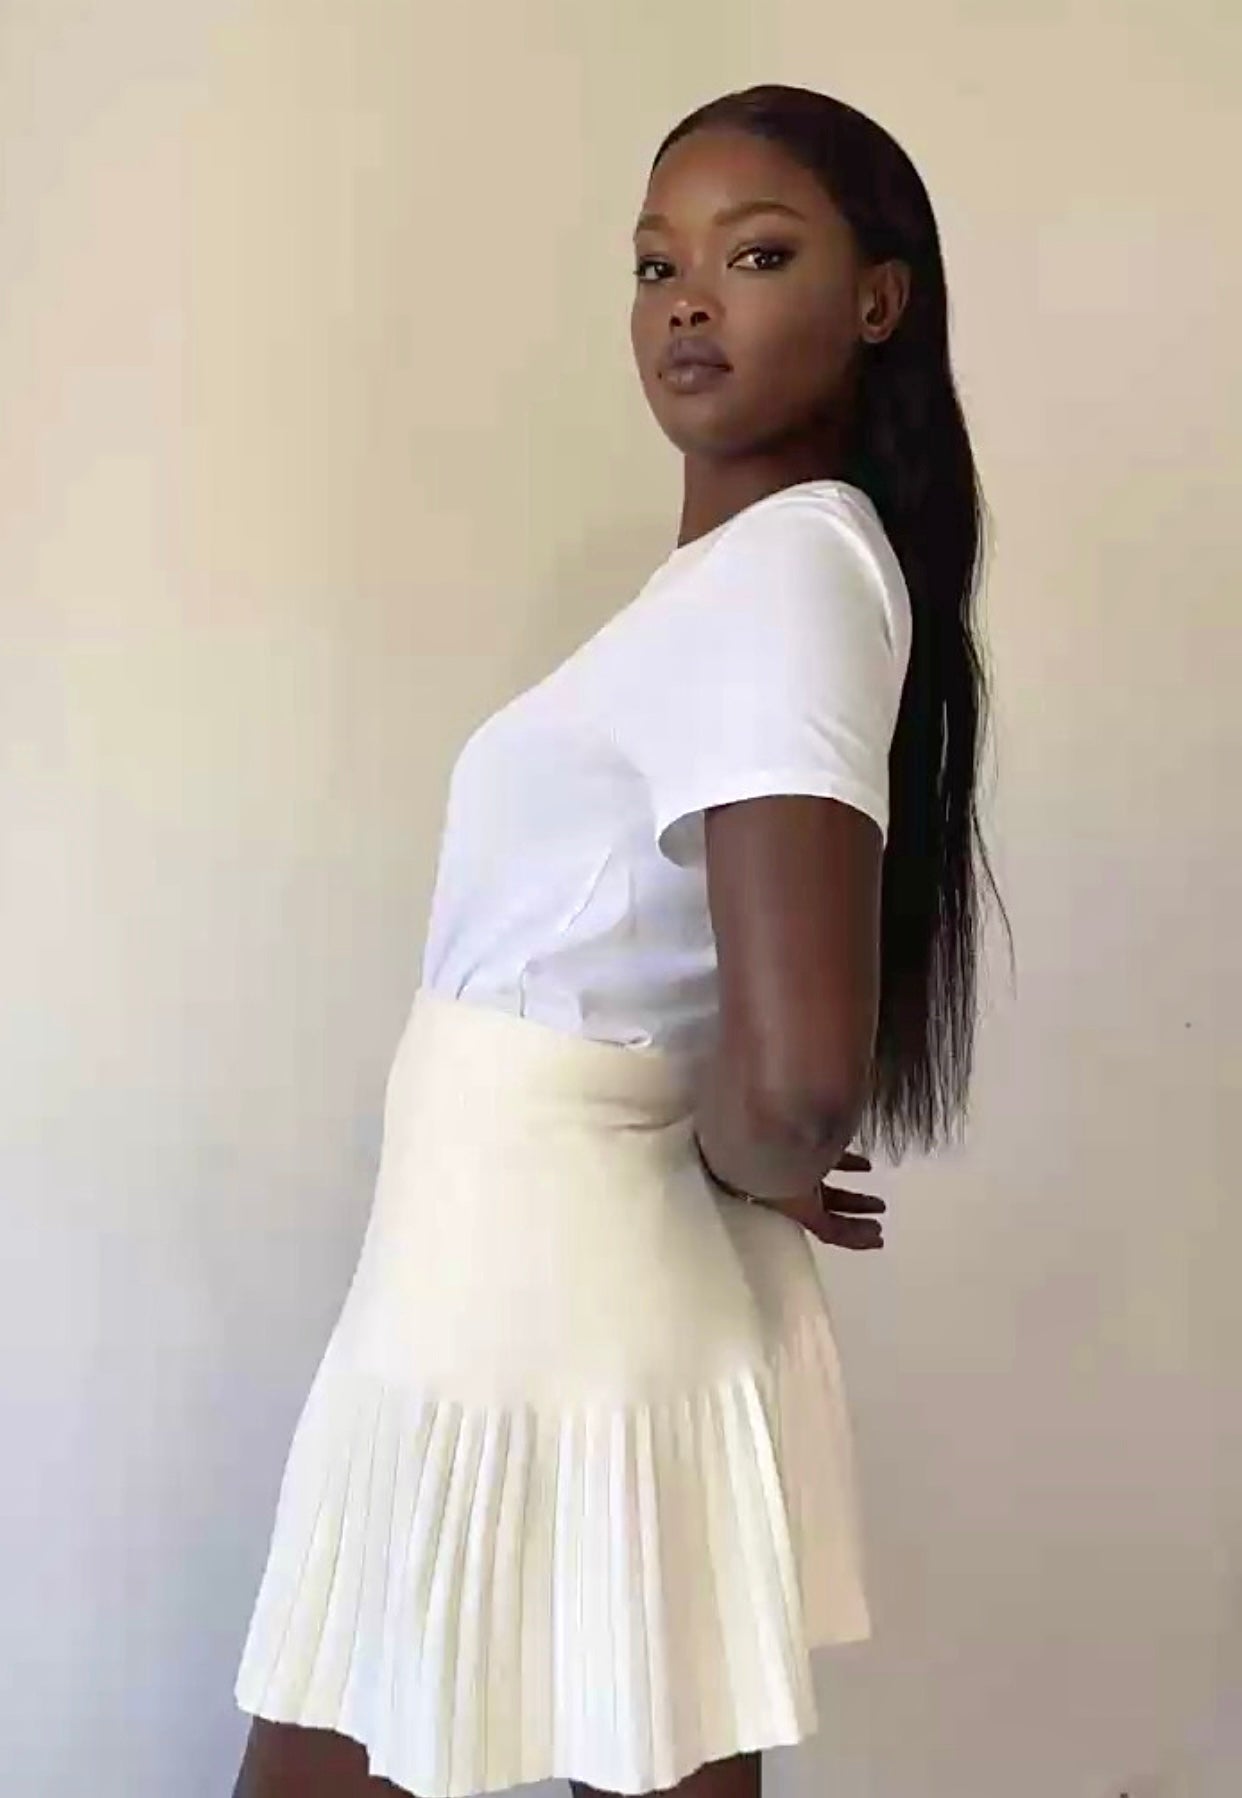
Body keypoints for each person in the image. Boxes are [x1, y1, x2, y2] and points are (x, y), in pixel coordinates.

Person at [231, 81, 999, 1798]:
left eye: (757, 254)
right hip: (511, 1263)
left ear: (877, 298)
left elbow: (796, 1080)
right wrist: (731, 1136)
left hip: (530, 1282)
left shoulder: (789, 575)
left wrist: (739, 1142)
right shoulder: (747, 582)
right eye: (656, 265)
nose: (687, 302)